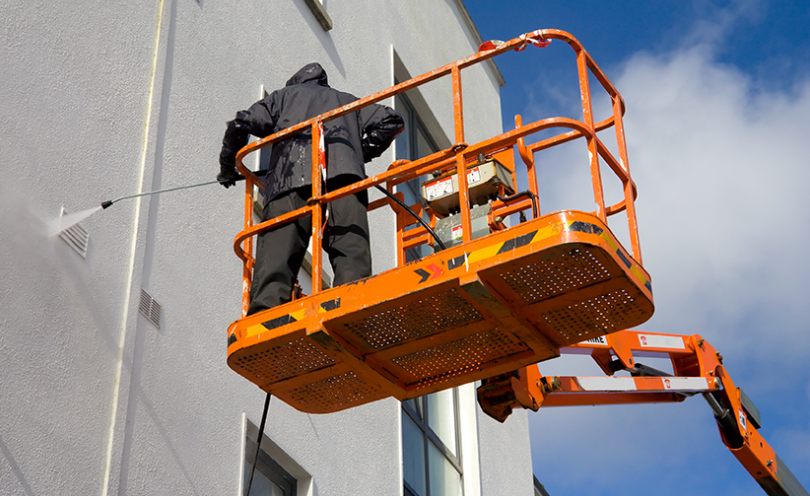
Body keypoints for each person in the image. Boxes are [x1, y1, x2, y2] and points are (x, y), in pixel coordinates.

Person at [218, 62, 403, 316]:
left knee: (276, 257)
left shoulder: (284, 97)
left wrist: (228, 167)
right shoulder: (347, 101)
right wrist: (355, 154)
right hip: (344, 179)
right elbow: (392, 120)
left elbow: (240, 125)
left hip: (288, 180)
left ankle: (265, 316)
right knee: (351, 253)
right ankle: (351, 307)